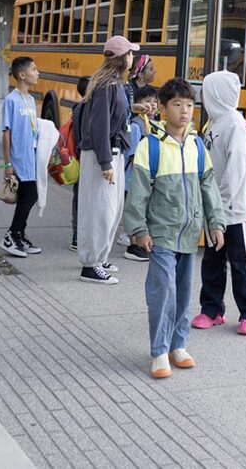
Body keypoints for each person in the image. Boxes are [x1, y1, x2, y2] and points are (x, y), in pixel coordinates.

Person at [124, 77, 225, 379]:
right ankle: (158, 351)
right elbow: (138, 192)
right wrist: (139, 230)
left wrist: (215, 222)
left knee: (183, 293)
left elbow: (208, 185)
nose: (184, 111)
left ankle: (178, 345)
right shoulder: (149, 147)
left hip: (190, 233)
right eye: (177, 105)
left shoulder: (196, 144)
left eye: (189, 105)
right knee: (162, 293)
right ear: (163, 108)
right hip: (161, 235)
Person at [193, 71, 246, 335]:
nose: (204, 98)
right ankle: (211, 310)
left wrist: (219, 206)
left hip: (232, 210)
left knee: (240, 261)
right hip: (214, 209)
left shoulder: (234, 124)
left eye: (208, 93)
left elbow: (236, 171)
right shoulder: (214, 122)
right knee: (212, 260)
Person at [77, 35, 139, 284]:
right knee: (100, 210)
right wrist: (105, 163)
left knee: (111, 210)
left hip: (112, 153)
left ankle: (99, 257)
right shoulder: (106, 86)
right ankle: (90, 265)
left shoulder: (112, 83)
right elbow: (100, 126)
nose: (133, 57)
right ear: (122, 58)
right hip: (103, 155)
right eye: (131, 53)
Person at [1, 56, 42, 258]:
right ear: (22, 75)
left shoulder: (31, 100)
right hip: (18, 159)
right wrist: (7, 163)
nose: (38, 73)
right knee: (29, 196)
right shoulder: (11, 100)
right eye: (34, 69)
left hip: (31, 158)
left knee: (28, 197)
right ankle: (11, 236)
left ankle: (19, 235)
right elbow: (6, 133)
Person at [120, 85, 159, 262]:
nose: (152, 105)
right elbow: (133, 154)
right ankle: (133, 244)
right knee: (135, 209)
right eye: (147, 101)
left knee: (144, 209)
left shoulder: (153, 125)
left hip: (147, 177)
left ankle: (140, 243)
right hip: (133, 177)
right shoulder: (136, 126)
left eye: (154, 101)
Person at [69, 75, 91, 253]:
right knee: (83, 200)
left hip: (79, 157)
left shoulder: (78, 107)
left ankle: (77, 236)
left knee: (80, 199)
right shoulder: (85, 108)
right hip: (84, 159)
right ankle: (78, 236)